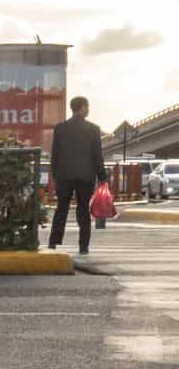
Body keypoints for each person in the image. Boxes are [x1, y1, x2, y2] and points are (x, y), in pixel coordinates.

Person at [48, 95, 108, 255]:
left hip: (64, 176)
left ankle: (53, 243)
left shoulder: (60, 128)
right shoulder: (93, 129)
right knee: (83, 210)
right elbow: (97, 156)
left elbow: (55, 155)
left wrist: (56, 175)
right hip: (85, 176)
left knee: (61, 209)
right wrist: (102, 177)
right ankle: (83, 246)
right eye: (87, 107)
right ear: (82, 108)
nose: (88, 110)